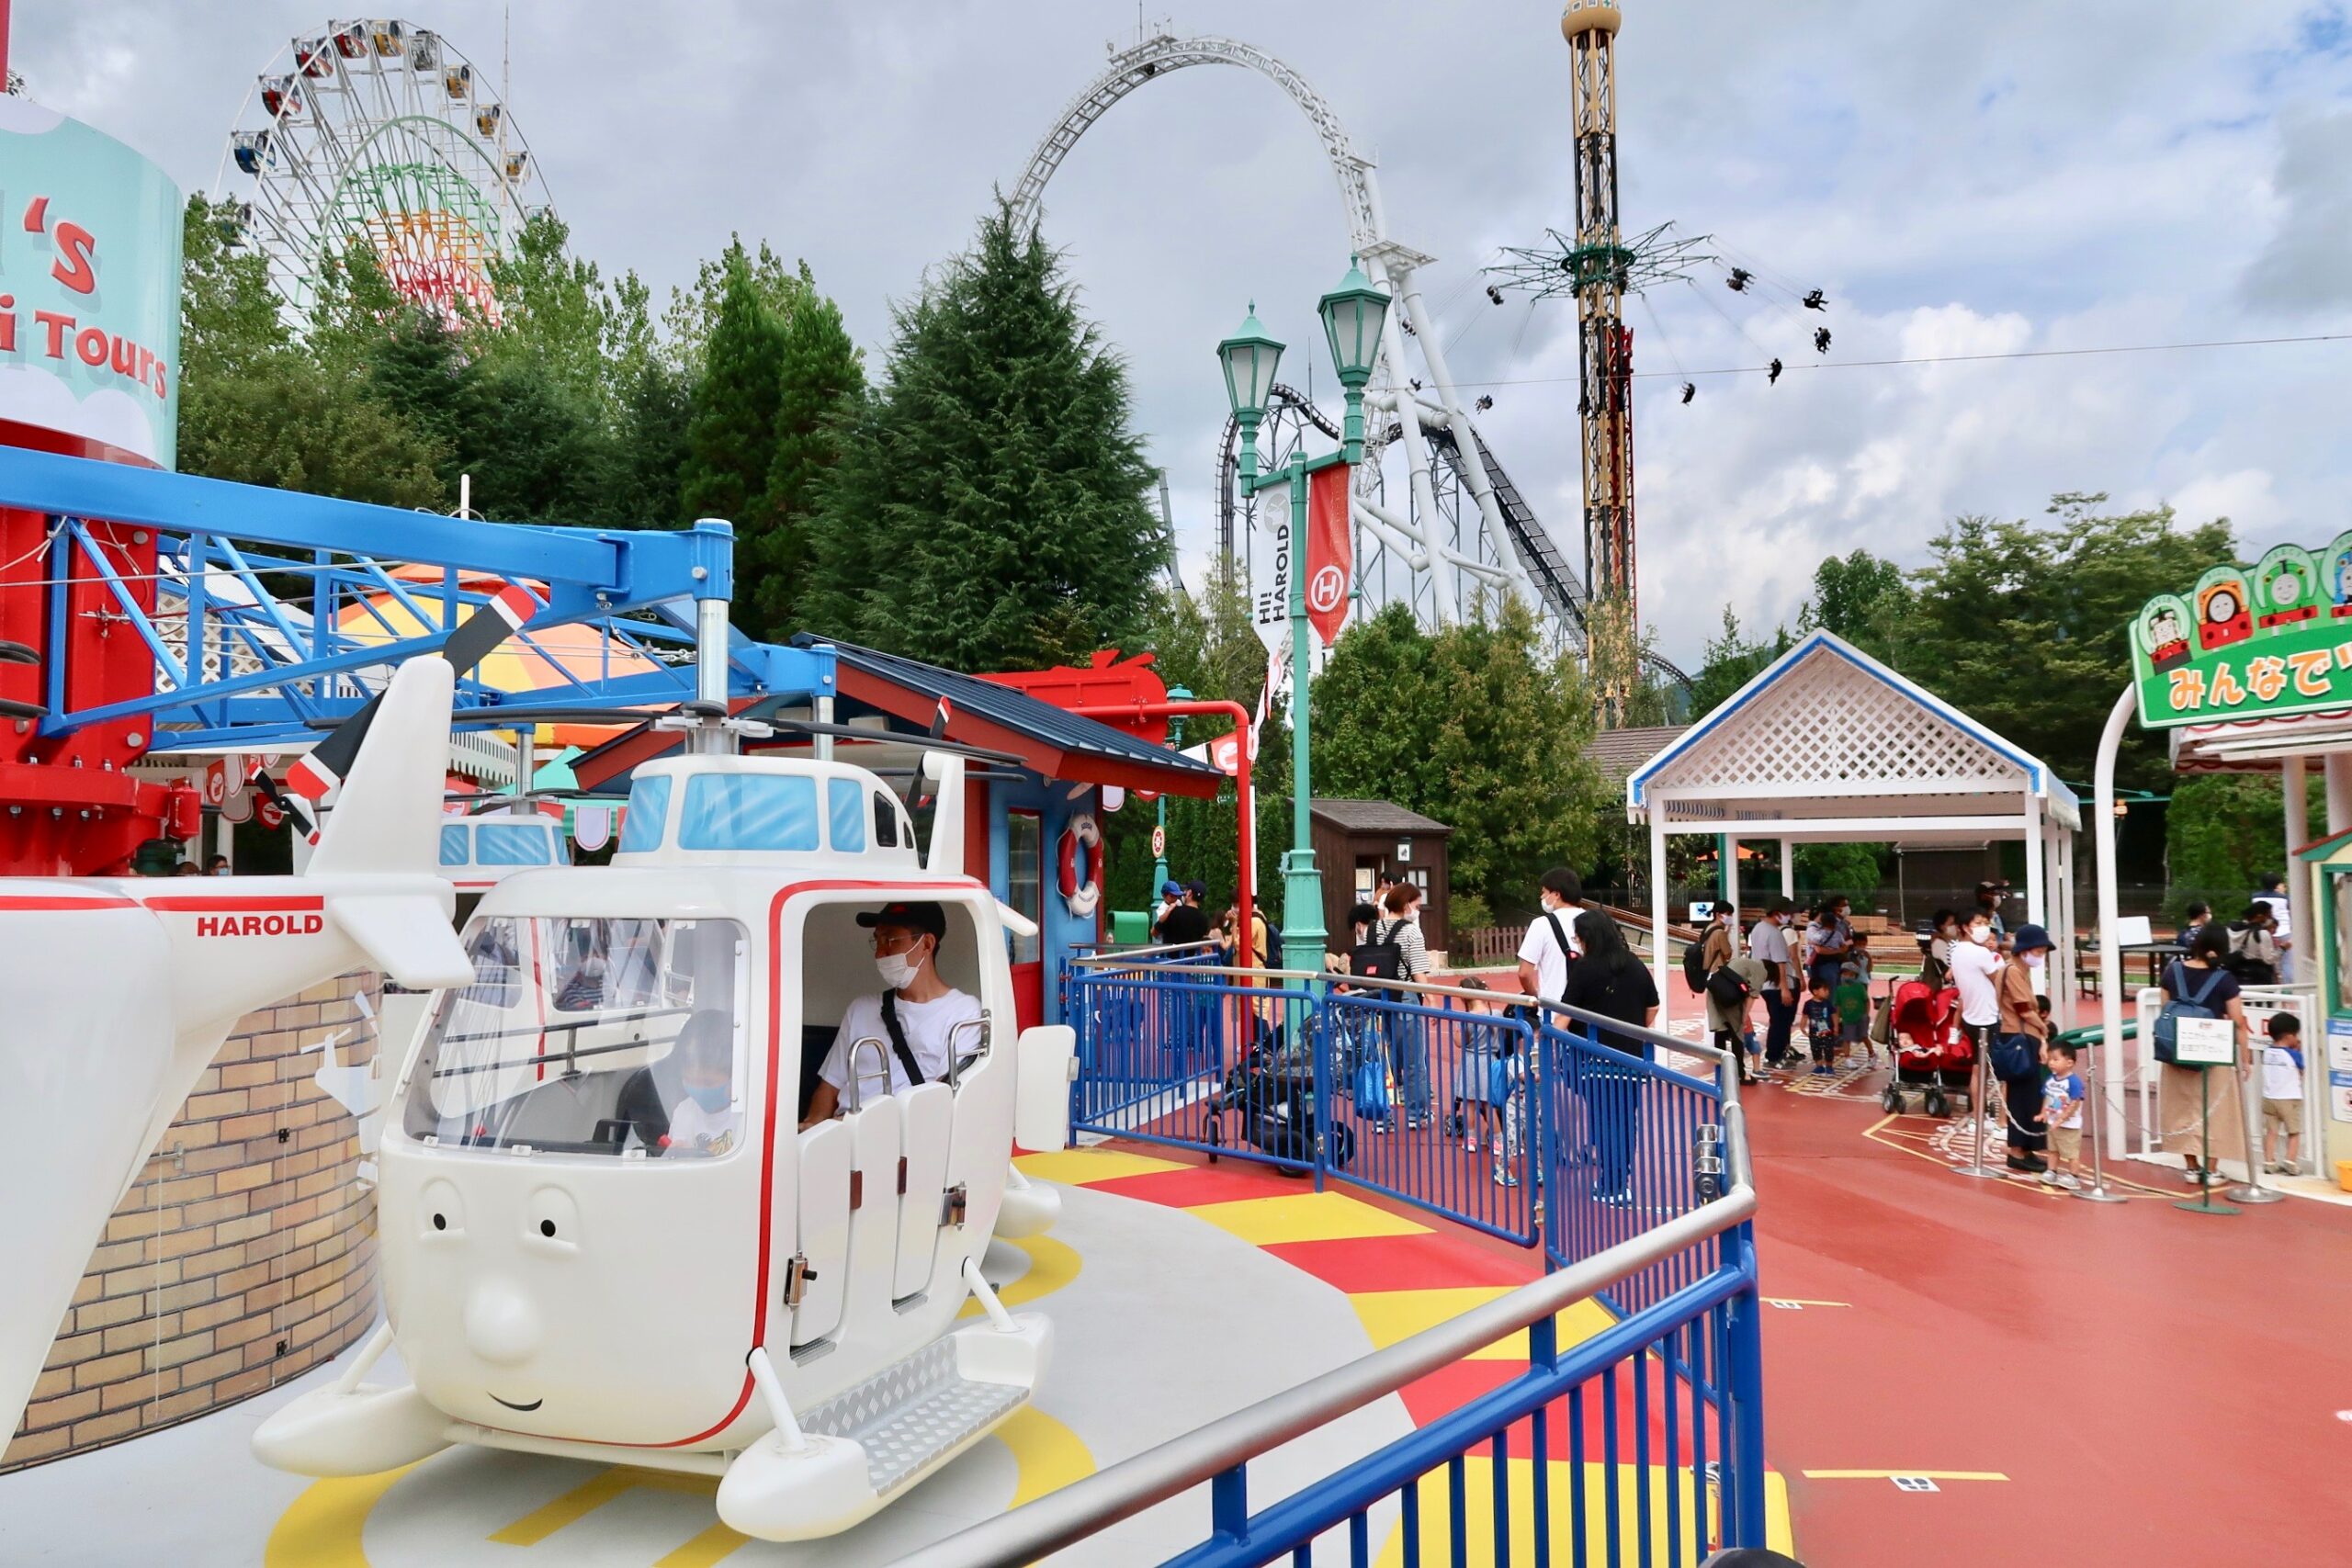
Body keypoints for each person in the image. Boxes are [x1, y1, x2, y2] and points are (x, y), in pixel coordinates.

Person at [801, 901, 982, 1129]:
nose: (880, 952)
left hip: (902, 1144)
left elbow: (937, 1103)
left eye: (891, 940)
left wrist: (853, 1125)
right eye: (877, 940)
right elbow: (829, 1086)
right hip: (840, 1141)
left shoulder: (962, 1012)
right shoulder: (861, 1009)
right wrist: (813, 1127)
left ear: (926, 943)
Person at [1563, 910, 1660, 1203]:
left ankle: (1611, 1183)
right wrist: (1634, 1029)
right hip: (1630, 1058)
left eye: (1578, 937)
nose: (1577, 942)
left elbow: (1567, 1014)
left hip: (1593, 1058)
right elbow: (1653, 1007)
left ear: (1588, 937)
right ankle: (1621, 1180)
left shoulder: (1585, 968)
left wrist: (1545, 1041)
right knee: (1625, 1120)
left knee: (1603, 1120)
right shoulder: (1633, 964)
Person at [2156, 926, 2254, 1188]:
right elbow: (2238, 1022)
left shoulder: (2172, 972)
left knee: (2182, 1109)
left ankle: (2190, 1166)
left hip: (2177, 1051)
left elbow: (2165, 1008)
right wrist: (2246, 1057)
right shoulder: (2225, 979)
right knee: (2216, 1112)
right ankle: (2211, 1170)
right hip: (2214, 1052)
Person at [616, 1009, 741, 1156]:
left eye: (708, 1083)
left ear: (736, 1077)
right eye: (690, 1080)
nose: (698, 1089)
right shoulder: (684, 1112)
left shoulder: (744, 1118)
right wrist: (677, 1153)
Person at [1994, 924, 2055, 1175]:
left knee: (2029, 1094)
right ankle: (2018, 1150)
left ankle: (2026, 1148)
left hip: (2024, 1035)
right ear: (2025, 950)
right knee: (2022, 1095)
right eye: (2038, 951)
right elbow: (2023, 1009)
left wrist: (2040, 1034)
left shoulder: (2020, 970)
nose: (2040, 956)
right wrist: (2044, 1028)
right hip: (2018, 1036)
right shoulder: (2013, 972)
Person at [1376, 883, 1435, 1130]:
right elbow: (1418, 970)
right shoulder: (1411, 932)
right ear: (1406, 904)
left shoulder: (1373, 928)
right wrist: (1430, 996)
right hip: (1406, 997)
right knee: (1413, 1059)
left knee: (1381, 1061)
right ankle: (1417, 1113)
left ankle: (1381, 1116)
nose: (1417, 910)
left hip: (1377, 997)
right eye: (1417, 905)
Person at [1514, 867, 1583, 1011]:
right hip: (1588, 1013)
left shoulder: (1541, 924)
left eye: (1544, 892)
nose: (1542, 897)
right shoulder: (1594, 921)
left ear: (1556, 894)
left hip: (1554, 1011)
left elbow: (1524, 973)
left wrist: (1535, 996)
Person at [1706, 948, 1770, 1085]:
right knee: (1737, 1034)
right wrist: (1744, 1017)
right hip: (1730, 994)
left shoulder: (1741, 961)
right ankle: (1740, 1073)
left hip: (1714, 988)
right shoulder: (1761, 970)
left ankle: (1721, 1069)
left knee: (1720, 1029)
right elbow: (1752, 996)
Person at [1749, 898, 1799, 1070]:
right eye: (1788, 913)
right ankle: (1774, 1057)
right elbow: (1780, 963)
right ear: (1777, 913)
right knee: (1781, 1023)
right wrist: (1785, 988)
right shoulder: (1774, 934)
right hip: (1777, 985)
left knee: (1777, 1020)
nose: (1790, 917)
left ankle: (1777, 1054)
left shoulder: (1758, 928)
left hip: (1765, 983)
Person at [2260, 1012, 2305, 1175]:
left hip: (2269, 1098)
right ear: (2289, 1036)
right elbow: (2301, 1073)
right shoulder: (2294, 1054)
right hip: (2289, 1098)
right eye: (2296, 1035)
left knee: (2271, 1131)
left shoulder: (2266, 1052)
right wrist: (2298, 1052)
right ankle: (2290, 1161)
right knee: (2293, 1131)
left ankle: (2269, 1162)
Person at [2038, 1039, 2086, 1190]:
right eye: (2050, 1059)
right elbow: (2048, 1097)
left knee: (2071, 1152)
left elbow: (2075, 1102)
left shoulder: (2073, 1082)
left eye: (2056, 1059)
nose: (2051, 1062)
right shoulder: (2050, 1079)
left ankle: (2074, 1176)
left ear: (2069, 1063)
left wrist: (2062, 1118)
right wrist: (2043, 1113)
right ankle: (2052, 1171)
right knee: (2053, 1149)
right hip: (2053, 1122)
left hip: (2069, 1125)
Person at [1805, 896, 1855, 992]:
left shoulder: (1845, 924)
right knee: (1829, 992)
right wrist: (1840, 949)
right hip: (1825, 963)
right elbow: (1818, 948)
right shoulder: (1817, 927)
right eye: (1843, 905)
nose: (1846, 908)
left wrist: (1846, 946)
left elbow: (1849, 940)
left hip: (1841, 962)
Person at [2224, 902, 2279, 986]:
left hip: (2236, 973)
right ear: (2259, 916)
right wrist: (2283, 949)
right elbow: (2269, 959)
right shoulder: (2262, 933)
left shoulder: (2230, 930)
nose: (2271, 918)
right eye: (2269, 915)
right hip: (2259, 976)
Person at [1835, 958, 1873, 1068]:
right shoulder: (1840, 990)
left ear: (1855, 976)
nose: (1847, 976)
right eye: (1845, 973)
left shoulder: (1859, 988)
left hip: (1860, 1017)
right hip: (1847, 1019)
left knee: (1864, 1036)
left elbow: (1866, 1001)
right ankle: (1848, 1058)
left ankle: (1871, 1054)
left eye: (1851, 974)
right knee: (1847, 1039)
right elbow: (1838, 1005)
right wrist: (1837, 1020)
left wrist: (1865, 1014)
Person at [1155, 881, 1211, 949]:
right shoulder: (1204, 919)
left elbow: (1154, 932)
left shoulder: (1173, 912)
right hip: (1192, 958)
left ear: (1189, 893)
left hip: (1172, 957)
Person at [1802, 978, 1837, 1074]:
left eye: (1827, 990)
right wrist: (1802, 1027)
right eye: (1824, 990)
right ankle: (1819, 1065)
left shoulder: (1828, 1003)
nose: (1827, 992)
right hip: (1814, 1033)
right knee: (1815, 1049)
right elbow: (1805, 1016)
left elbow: (1834, 1015)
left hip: (1828, 1032)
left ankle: (1829, 1066)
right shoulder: (1808, 1004)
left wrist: (1836, 1026)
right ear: (1815, 991)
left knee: (1828, 1049)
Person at [1922, 909, 1959, 989]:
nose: (1956, 926)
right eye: (1952, 924)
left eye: (1956, 923)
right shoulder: (1938, 943)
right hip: (1945, 988)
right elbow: (1952, 963)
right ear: (1942, 926)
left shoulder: (1951, 941)